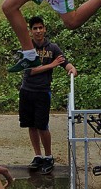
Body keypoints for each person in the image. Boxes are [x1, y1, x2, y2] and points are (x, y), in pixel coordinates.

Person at [19, 16, 77, 173]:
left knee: (42, 126)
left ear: (44, 29)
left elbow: (64, 62)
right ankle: (38, 156)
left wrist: (71, 69)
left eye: (40, 28)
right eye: (35, 28)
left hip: (43, 92)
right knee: (31, 125)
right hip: (27, 91)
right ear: (31, 31)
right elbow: (30, 70)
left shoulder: (52, 47)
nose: (38, 31)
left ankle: (49, 157)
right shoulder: (27, 48)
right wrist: (51, 65)